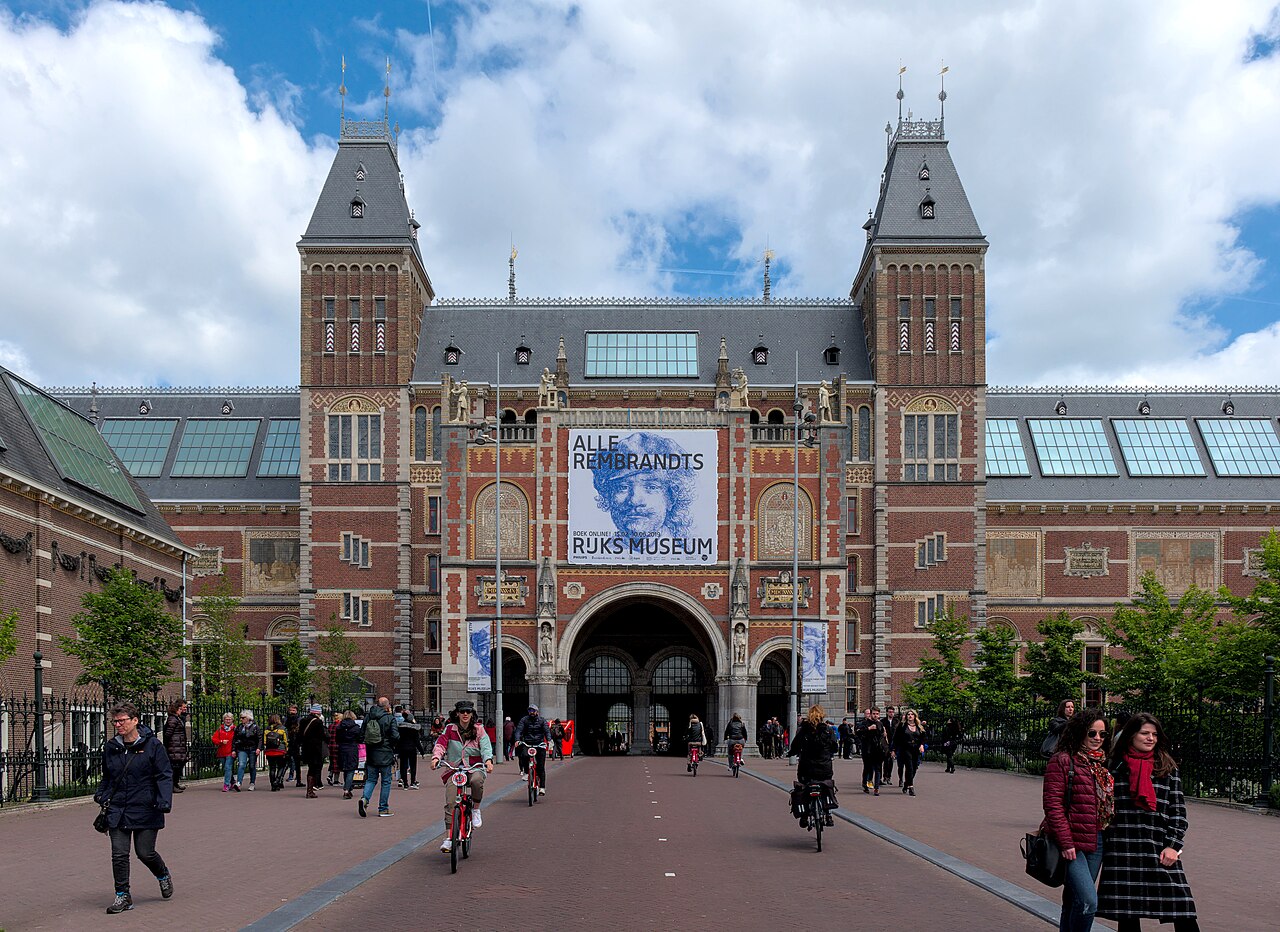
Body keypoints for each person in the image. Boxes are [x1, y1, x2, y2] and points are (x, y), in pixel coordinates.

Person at [1097, 714, 1200, 932]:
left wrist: (1173, 845)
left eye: (1154, 734)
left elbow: (1178, 811)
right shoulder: (1113, 767)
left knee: (1182, 909)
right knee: (1127, 915)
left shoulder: (1167, 767)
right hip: (1123, 849)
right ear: (1131, 735)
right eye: (1145, 733)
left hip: (1159, 848)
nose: (1150, 738)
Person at [95, 701, 174, 914]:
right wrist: (101, 794)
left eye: (122, 721)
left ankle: (162, 874)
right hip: (118, 808)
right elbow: (108, 776)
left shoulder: (152, 746)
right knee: (119, 854)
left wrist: (164, 800)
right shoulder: (112, 747)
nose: (118, 725)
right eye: (115, 721)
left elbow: (164, 774)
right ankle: (123, 895)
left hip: (146, 806)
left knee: (145, 852)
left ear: (135, 720)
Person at [1042, 709, 1114, 932]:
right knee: (1088, 901)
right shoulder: (1062, 760)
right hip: (1071, 841)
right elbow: (1052, 804)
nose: (1098, 739)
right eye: (1092, 733)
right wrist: (1066, 842)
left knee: (1073, 899)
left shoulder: (1102, 764)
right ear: (1079, 732)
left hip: (1097, 839)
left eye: (1103, 735)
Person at [590, 431, 699, 539]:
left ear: (671, 497)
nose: (634, 500)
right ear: (608, 496)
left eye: (651, 487)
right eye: (622, 487)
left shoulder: (687, 553)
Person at [431, 700, 494, 853]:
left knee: (477, 780)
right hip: (455, 768)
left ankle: (476, 810)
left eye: (468, 711)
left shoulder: (478, 729)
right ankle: (448, 837)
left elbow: (485, 746)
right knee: (451, 801)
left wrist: (488, 761)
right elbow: (440, 744)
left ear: (472, 714)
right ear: (457, 713)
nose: (465, 714)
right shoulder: (449, 729)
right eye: (462, 711)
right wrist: (436, 758)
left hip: (474, 766)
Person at [786, 704, 839, 827]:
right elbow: (835, 747)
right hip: (824, 767)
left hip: (807, 768)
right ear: (822, 716)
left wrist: (791, 753)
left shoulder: (803, 730)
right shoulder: (828, 730)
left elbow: (795, 746)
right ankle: (828, 814)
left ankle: (804, 816)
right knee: (826, 785)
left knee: (804, 787)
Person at [359, 696, 400, 818]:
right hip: (385, 753)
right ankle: (383, 808)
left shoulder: (368, 717)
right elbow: (396, 736)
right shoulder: (389, 718)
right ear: (387, 706)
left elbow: (361, 735)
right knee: (386, 781)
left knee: (371, 779)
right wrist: (390, 744)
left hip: (371, 753)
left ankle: (364, 799)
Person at [513, 704, 552, 792]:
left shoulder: (542, 721)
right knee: (524, 755)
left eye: (533, 711)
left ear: (537, 712)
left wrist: (549, 740)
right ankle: (526, 772)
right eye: (530, 711)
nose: (531, 712)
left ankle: (542, 787)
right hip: (528, 743)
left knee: (541, 766)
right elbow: (519, 730)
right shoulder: (524, 720)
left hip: (539, 744)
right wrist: (517, 740)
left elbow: (547, 731)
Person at [893, 709, 927, 796]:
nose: (910, 716)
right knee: (909, 767)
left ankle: (906, 783)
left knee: (915, 768)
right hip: (906, 749)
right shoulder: (902, 726)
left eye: (912, 714)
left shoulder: (919, 726)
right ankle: (911, 787)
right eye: (909, 714)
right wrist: (893, 750)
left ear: (915, 716)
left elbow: (923, 737)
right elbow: (896, 738)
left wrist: (922, 745)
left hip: (915, 749)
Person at [298, 703, 329, 798]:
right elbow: (322, 736)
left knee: (310, 768)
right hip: (315, 748)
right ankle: (310, 790)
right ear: (318, 713)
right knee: (315, 768)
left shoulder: (303, 721)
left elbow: (300, 735)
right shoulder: (318, 722)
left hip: (306, 748)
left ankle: (309, 789)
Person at [856, 707, 889, 795]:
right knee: (867, 768)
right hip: (867, 749)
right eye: (874, 714)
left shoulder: (880, 723)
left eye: (877, 714)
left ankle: (876, 788)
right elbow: (858, 732)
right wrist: (868, 728)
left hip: (878, 750)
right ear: (870, 714)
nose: (875, 715)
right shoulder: (865, 723)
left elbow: (882, 736)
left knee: (878, 768)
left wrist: (883, 734)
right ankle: (865, 784)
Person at [161, 699, 189, 794]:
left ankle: (176, 783)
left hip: (178, 746)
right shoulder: (173, 719)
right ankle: (172, 785)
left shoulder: (177, 718)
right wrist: (171, 744)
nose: (182, 710)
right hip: (174, 746)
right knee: (175, 767)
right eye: (181, 709)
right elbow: (168, 734)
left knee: (178, 766)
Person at [232, 709, 261, 791]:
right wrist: (234, 749)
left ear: (248, 718)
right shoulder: (240, 727)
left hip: (252, 748)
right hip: (242, 749)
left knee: (252, 766)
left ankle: (252, 783)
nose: (241, 719)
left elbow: (259, 738)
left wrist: (258, 748)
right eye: (241, 718)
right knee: (241, 764)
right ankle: (239, 783)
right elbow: (235, 738)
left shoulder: (255, 727)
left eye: (243, 718)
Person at [336, 710, 361, 799]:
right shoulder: (356, 728)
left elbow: (337, 739)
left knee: (345, 769)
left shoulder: (339, 727)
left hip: (342, 748)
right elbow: (360, 739)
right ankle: (347, 789)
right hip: (352, 748)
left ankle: (348, 788)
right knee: (351, 770)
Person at [263, 714, 290, 791]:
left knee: (272, 768)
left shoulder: (266, 729)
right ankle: (277, 781)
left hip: (269, 751)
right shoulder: (282, 729)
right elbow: (286, 740)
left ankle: (272, 784)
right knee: (281, 766)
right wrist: (286, 749)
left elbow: (265, 742)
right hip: (280, 751)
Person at [396, 707, 421, 788]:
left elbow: (398, 739)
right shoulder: (414, 728)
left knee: (403, 765)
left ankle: (405, 783)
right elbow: (417, 741)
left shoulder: (400, 727)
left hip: (402, 748)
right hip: (412, 749)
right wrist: (422, 751)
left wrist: (396, 749)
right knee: (413, 765)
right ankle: (413, 781)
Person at [212, 712, 236, 792]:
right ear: (224, 720)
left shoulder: (235, 729)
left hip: (230, 752)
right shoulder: (220, 729)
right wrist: (221, 741)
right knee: (226, 768)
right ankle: (232, 781)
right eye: (226, 719)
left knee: (227, 767)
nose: (228, 721)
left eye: (229, 719)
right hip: (222, 752)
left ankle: (226, 785)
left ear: (232, 720)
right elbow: (214, 739)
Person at [284, 704, 303, 787]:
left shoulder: (299, 719)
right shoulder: (286, 719)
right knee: (286, 762)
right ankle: (280, 779)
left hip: (296, 742)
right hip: (289, 742)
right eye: (291, 710)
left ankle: (298, 780)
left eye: (293, 710)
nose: (292, 712)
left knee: (297, 763)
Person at [882, 706, 899, 785]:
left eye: (892, 712)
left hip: (893, 743)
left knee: (891, 761)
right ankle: (885, 776)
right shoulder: (883, 721)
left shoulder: (897, 721)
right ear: (887, 712)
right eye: (889, 712)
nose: (891, 713)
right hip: (886, 743)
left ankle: (889, 777)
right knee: (886, 760)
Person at [326, 712, 343, 786]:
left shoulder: (330, 726)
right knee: (337, 763)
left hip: (331, 746)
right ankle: (336, 780)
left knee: (332, 762)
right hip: (338, 746)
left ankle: (330, 775)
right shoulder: (340, 726)